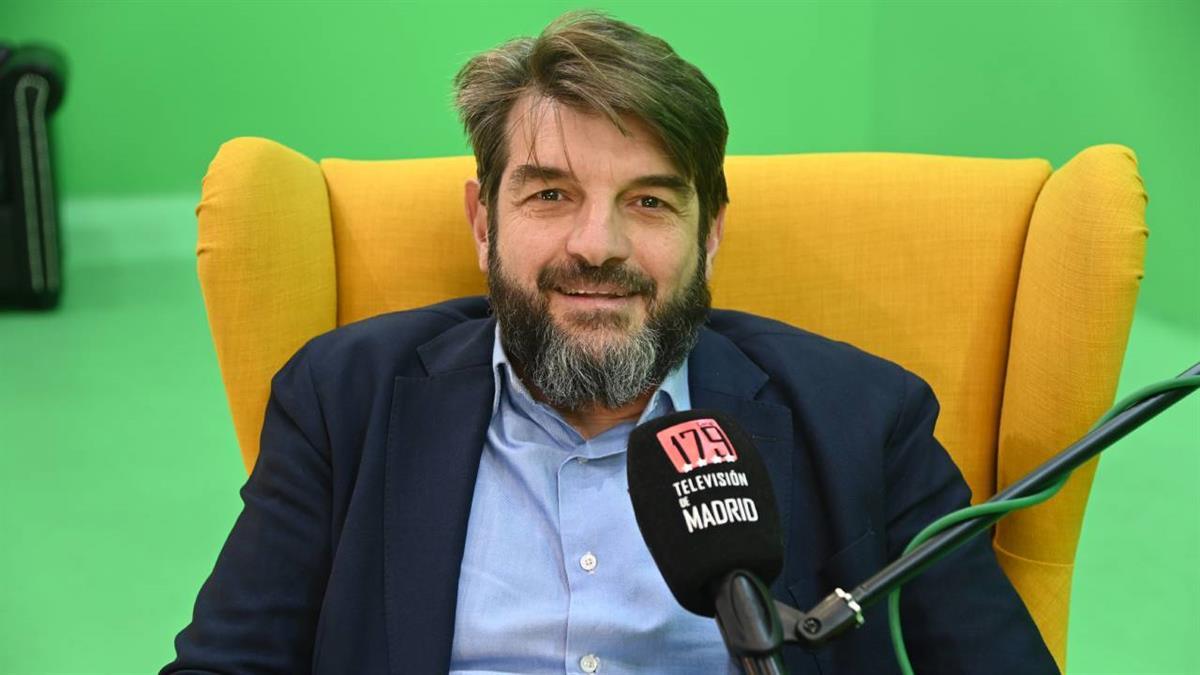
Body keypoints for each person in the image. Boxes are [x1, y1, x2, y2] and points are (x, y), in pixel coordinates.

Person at [164, 11, 1057, 675]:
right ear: (484, 221)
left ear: (710, 233)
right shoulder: (343, 401)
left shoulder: (861, 418)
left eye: (649, 200)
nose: (598, 245)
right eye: (550, 195)